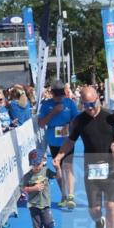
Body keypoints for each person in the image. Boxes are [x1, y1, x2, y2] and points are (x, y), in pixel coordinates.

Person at [52, 86, 114, 228]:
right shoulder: (80, 120)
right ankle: (99, 223)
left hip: (112, 168)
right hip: (92, 169)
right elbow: (70, 141)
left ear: (98, 98)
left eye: (92, 103)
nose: (90, 108)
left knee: (111, 206)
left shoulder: (111, 117)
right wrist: (59, 156)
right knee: (94, 210)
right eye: (86, 105)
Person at [38, 80, 80, 209]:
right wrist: (53, 112)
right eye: (56, 95)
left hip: (67, 140)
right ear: (52, 93)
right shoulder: (46, 105)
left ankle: (71, 196)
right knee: (58, 168)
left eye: (61, 94)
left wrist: (69, 124)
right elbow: (41, 123)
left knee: (67, 166)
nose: (59, 98)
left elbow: (77, 119)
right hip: (54, 141)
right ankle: (64, 195)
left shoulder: (70, 103)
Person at [21, 150, 57, 228]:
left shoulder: (46, 171)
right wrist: (33, 188)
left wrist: (57, 167)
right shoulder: (27, 176)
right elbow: (22, 189)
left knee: (49, 223)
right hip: (33, 205)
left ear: (43, 161)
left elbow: (57, 176)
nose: (36, 166)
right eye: (33, 164)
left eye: (38, 164)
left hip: (45, 204)